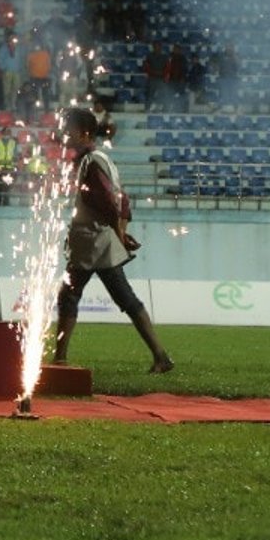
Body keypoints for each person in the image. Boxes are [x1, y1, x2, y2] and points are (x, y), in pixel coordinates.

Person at [52, 109, 172, 372]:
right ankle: (160, 356)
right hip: (98, 242)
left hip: (93, 243)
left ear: (84, 133)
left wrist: (119, 233)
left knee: (70, 296)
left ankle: (59, 358)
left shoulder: (92, 162)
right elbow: (121, 201)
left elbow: (110, 202)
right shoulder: (98, 160)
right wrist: (121, 232)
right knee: (125, 299)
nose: (65, 134)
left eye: (68, 129)